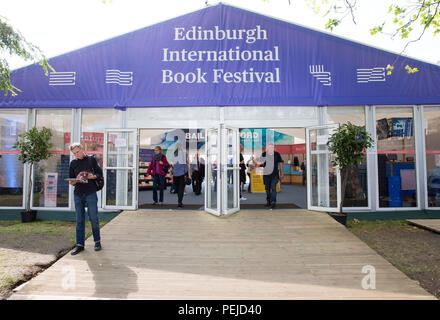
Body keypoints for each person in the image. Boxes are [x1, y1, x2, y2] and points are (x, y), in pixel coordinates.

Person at [68, 142, 103, 255]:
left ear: (82, 149)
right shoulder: (73, 163)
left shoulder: (91, 160)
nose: (76, 154)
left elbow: (99, 174)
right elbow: (71, 181)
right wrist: (75, 181)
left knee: (93, 217)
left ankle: (97, 242)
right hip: (78, 193)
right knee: (79, 220)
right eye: (74, 153)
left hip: (90, 192)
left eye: (78, 152)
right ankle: (80, 245)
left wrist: (91, 176)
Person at [258, 144, 284, 209]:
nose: (270, 149)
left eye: (272, 147)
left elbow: (280, 164)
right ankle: (268, 201)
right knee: (267, 189)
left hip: (274, 175)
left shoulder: (277, 154)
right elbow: (260, 163)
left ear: (274, 148)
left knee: (273, 187)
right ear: (267, 148)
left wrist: (282, 173)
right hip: (266, 175)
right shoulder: (264, 154)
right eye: (269, 148)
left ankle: (273, 202)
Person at [171, 142, 191, 208]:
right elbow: (188, 164)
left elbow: (173, 164)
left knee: (178, 189)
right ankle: (180, 202)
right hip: (182, 174)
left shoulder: (173, 154)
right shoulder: (185, 154)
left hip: (176, 174)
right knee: (181, 189)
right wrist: (189, 174)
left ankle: (179, 201)